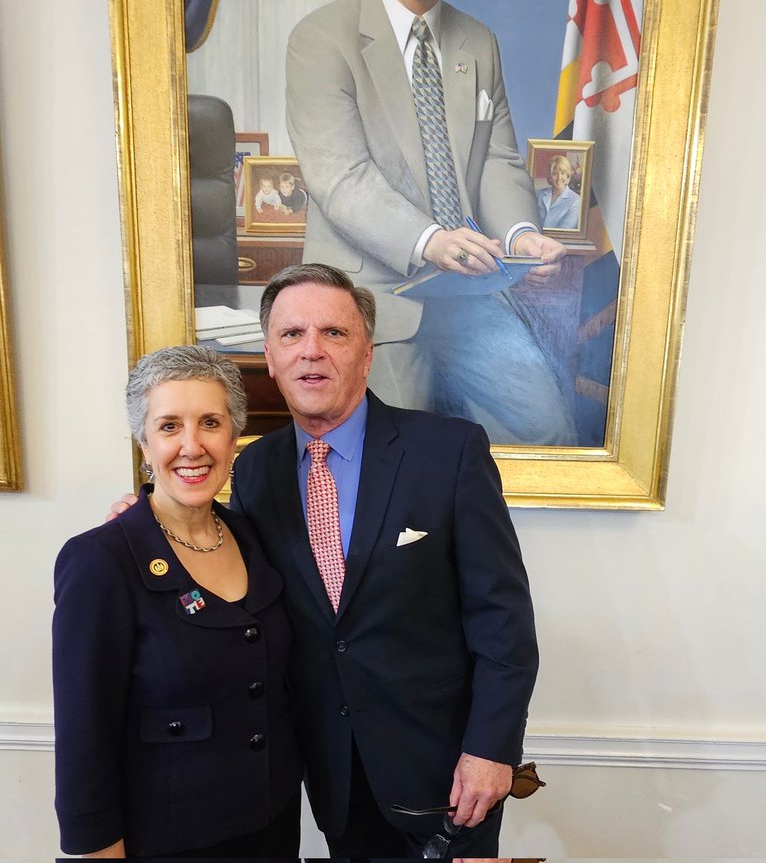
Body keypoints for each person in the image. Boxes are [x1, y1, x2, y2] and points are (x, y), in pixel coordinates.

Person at [109, 264, 538, 859]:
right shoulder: (254, 470)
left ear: (366, 353)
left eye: (334, 333)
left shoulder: (449, 451)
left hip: (448, 776)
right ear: (270, 356)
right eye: (292, 335)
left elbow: (504, 620)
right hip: (328, 774)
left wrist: (492, 748)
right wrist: (146, 521)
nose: (312, 352)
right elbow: (218, 555)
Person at [286, 0, 574, 444]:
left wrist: (520, 234)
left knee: (551, 434)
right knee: (403, 462)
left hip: (471, 290)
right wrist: (432, 242)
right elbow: (341, 179)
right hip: (373, 301)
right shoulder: (321, 38)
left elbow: (496, 159)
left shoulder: (477, 41)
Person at [54, 346, 302, 859]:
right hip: (165, 843)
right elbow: (85, 734)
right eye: (169, 426)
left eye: (210, 422)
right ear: (143, 442)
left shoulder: (255, 538)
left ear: (234, 438)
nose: (192, 446)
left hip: (271, 830)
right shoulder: (101, 561)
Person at [536, 154, 581, 230]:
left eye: (562, 173)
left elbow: (566, 229)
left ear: (567, 176)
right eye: (555, 174)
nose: (559, 177)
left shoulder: (576, 200)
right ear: (550, 176)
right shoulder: (539, 194)